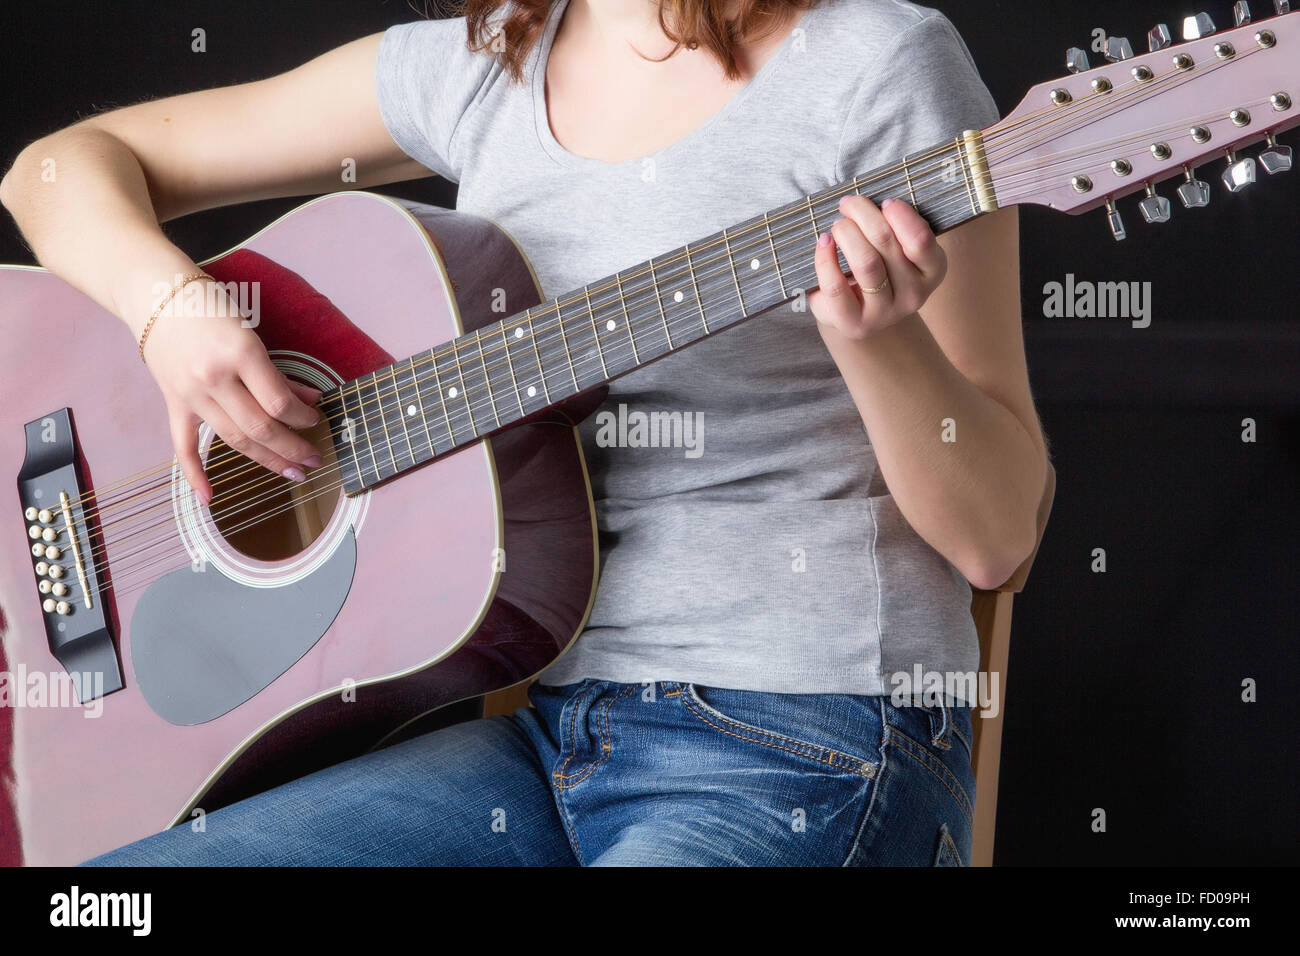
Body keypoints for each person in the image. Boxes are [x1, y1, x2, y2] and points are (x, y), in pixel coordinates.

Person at [0, 0, 1047, 866]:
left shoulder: (880, 62)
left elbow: (1000, 531)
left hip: (808, 738)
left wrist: (880, 345)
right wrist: (167, 310)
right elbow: (51, 172)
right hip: (546, 741)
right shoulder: (485, 63)